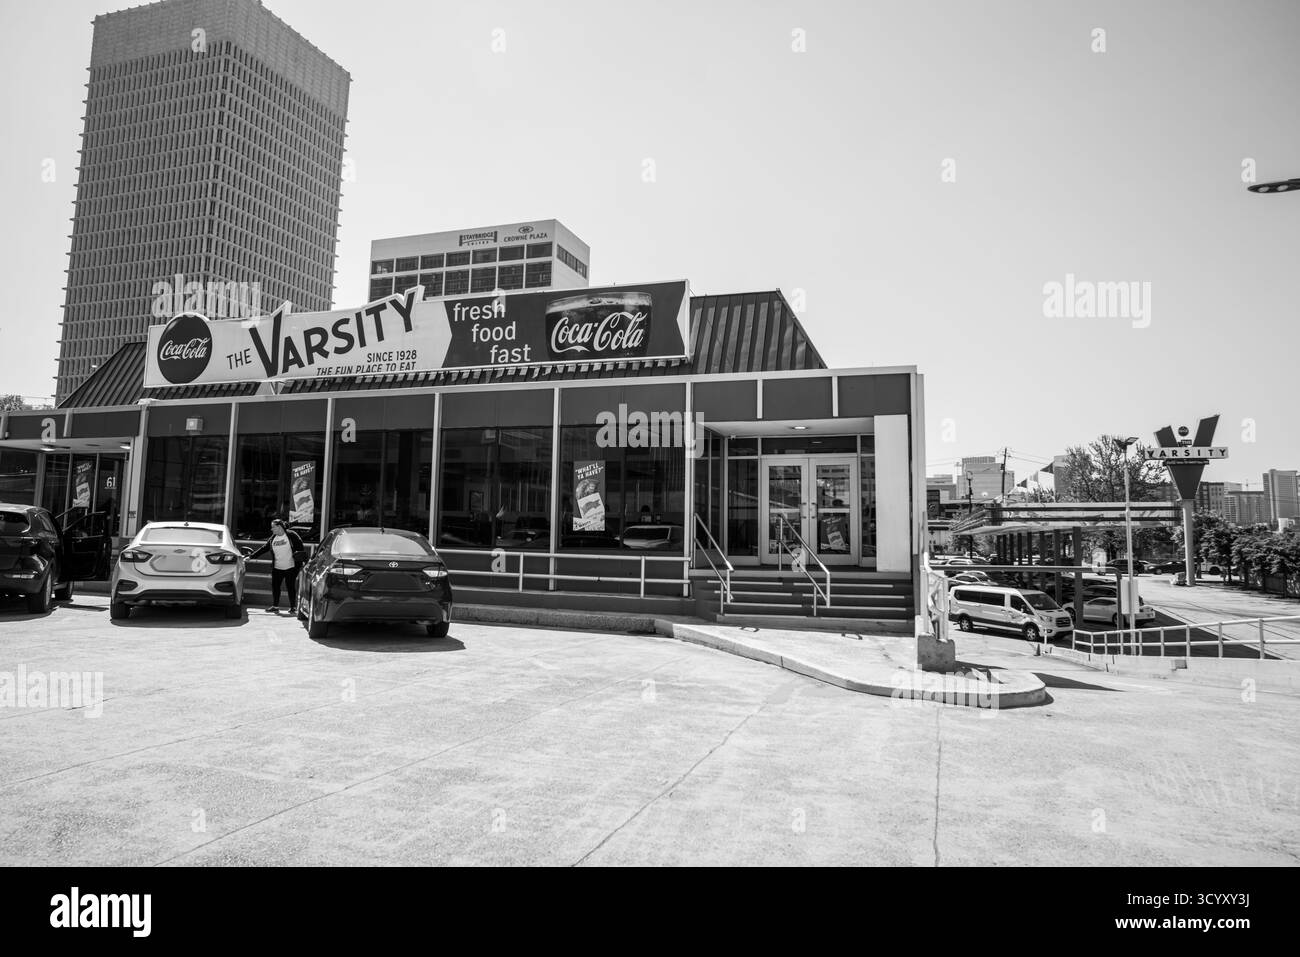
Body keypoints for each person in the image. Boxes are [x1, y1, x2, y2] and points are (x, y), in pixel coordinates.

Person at [248, 517, 306, 613]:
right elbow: (264, 548)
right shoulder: (273, 538)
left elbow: (300, 548)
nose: (271, 529)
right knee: (275, 586)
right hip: (277, 567)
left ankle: (293, 607)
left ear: (279, 527)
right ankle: (275, 606)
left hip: (291, 567)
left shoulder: (291, 535)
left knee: (290, 586)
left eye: (273, 527)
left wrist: (301, 561)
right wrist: (251, 556)